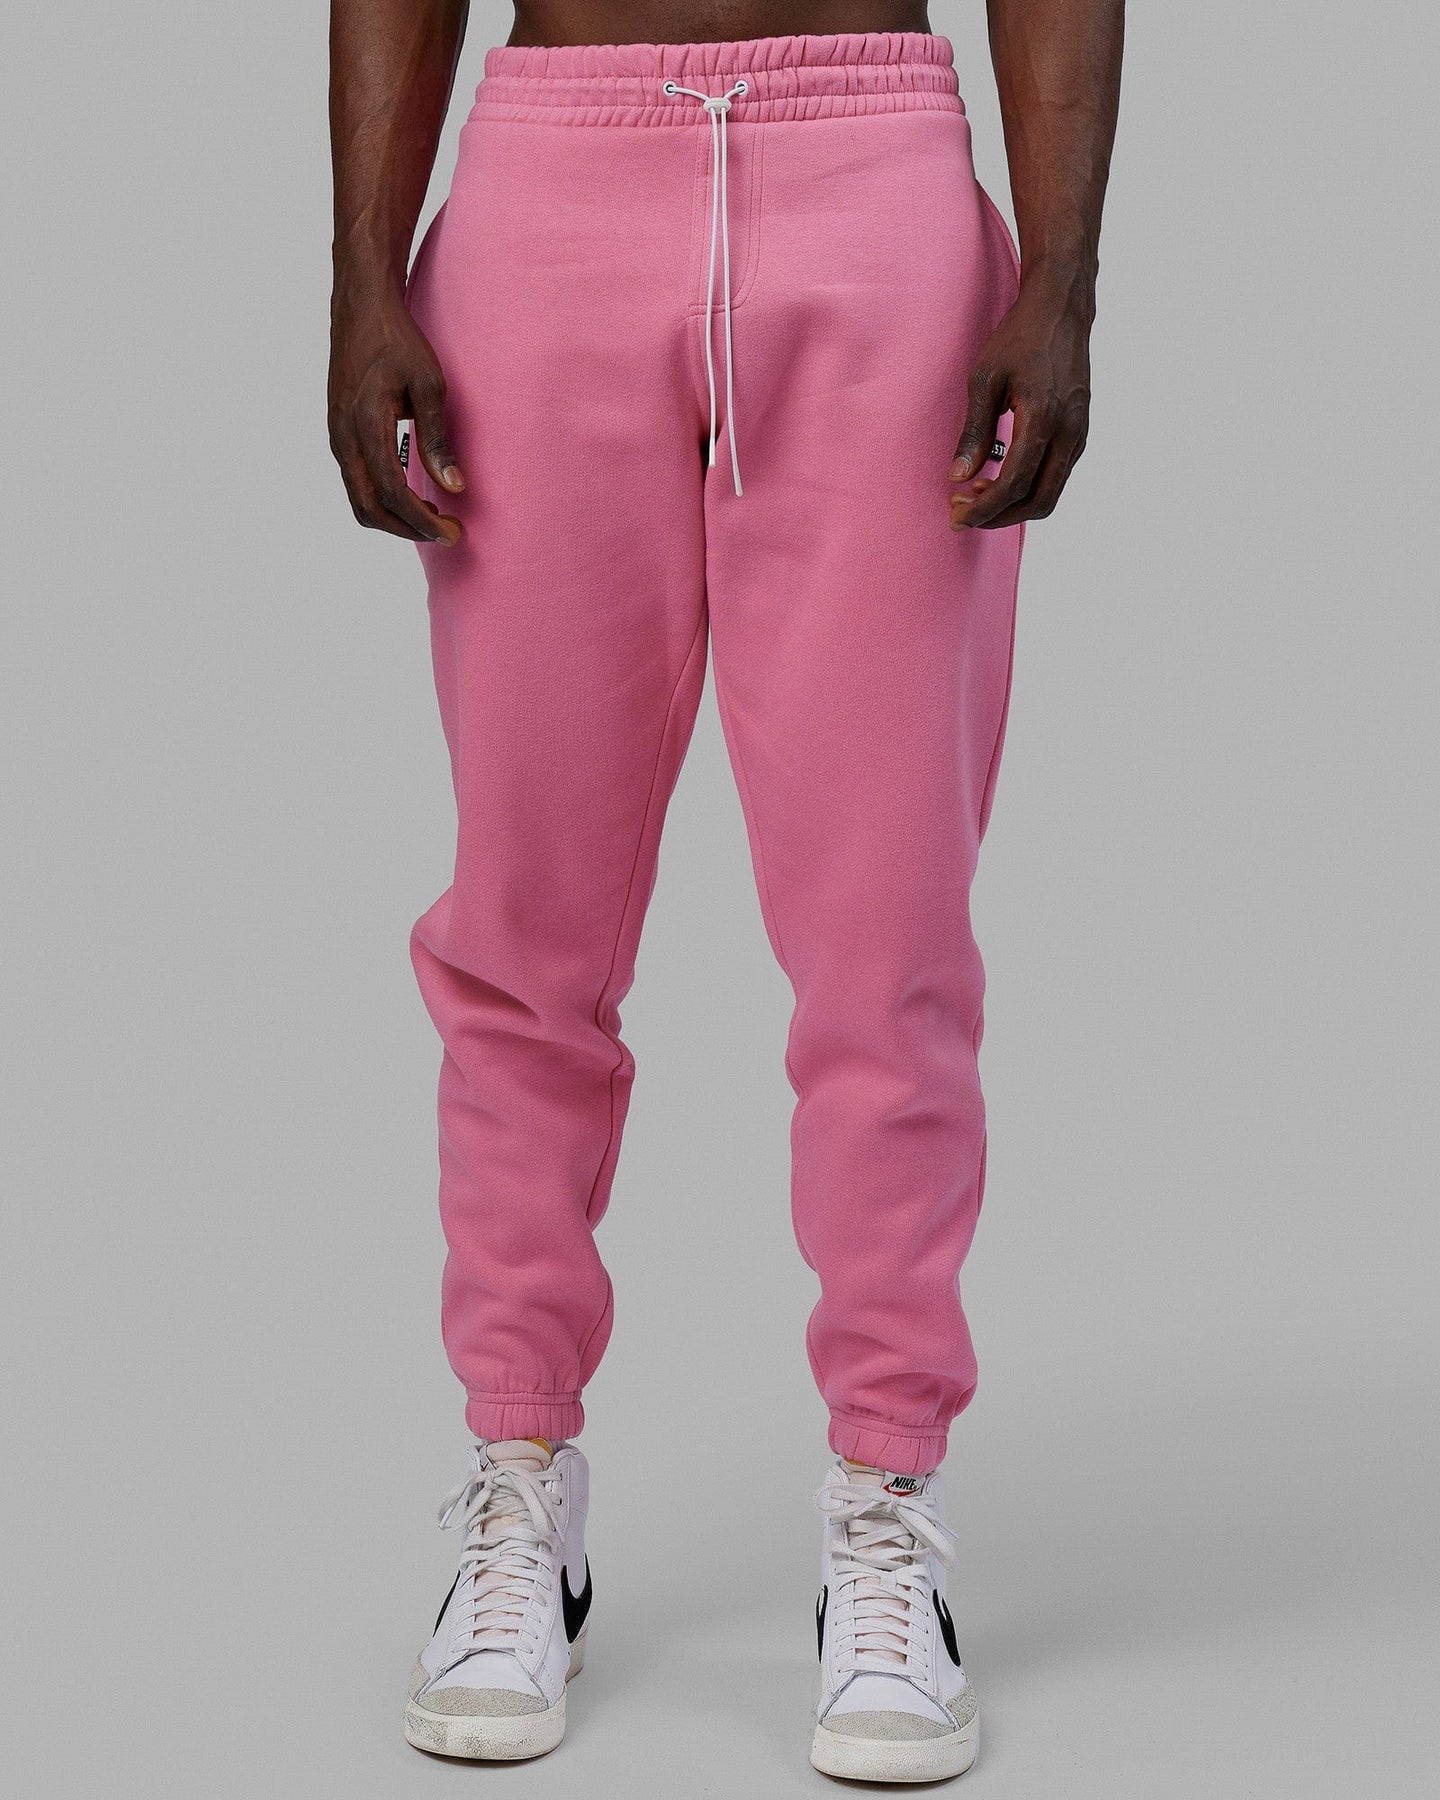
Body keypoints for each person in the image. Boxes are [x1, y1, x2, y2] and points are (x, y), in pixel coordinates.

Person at [328, 0, 1121, 1780]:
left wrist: (1062, 274)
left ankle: (885, 1505)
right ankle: (518, 1481)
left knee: (887, 943)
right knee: (522, 936)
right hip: (551, 192)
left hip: (876, 184)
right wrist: (362, 275)